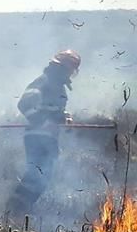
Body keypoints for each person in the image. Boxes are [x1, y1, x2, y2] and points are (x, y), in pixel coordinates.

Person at [5, 49, 81, 217]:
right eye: (70, 67)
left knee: (41, 180)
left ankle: (19, 212)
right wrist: (43, 122)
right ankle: (13, 212)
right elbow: (25, 103)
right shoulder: (45, 81)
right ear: (62, 65)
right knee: (35, 177)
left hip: (47, 139)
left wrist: (64, 117)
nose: (70, 72)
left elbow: (51, 110)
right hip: (37, 138)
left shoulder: (57, 84)